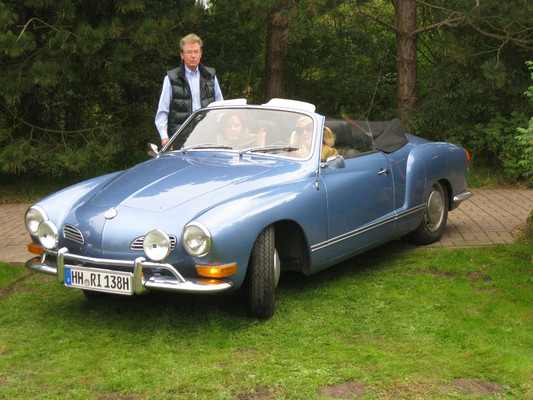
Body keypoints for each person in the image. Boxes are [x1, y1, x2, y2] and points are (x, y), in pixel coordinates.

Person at [155, 33, 224, 146]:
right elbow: (162, 111)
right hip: (181, 140)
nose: (193, 56)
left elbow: (221, 107)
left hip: (208, 138)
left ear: (201, 54)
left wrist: (219, 131)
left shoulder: (210, 76)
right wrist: (165, 137)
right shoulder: (171, 78)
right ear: (182, 55)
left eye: (196, 52)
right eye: (189, 52)